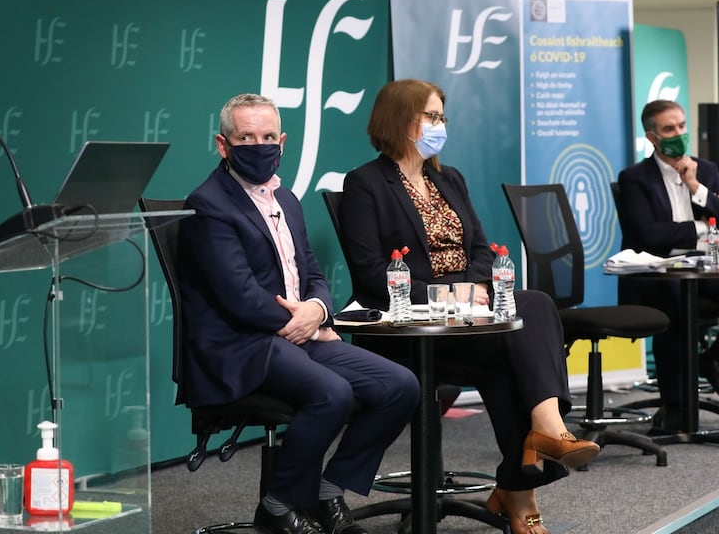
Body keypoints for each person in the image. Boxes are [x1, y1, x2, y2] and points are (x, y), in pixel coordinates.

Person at [338, 79, 600, 534]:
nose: (440, 125)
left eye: (442, 117)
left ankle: (542, 437)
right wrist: (445, 295)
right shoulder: (365, 183)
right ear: (399, 118)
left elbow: (480, 247)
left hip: (469, 318)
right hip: (411, 331)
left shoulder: (449, 178)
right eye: (431, 116)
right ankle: (524, 478)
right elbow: (370, 274)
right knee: (514, 347)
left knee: (532, 309)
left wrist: (475, 285)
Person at [177, 93, 420, 534]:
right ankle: (278, 504)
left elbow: (313, 272)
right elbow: (239, 296)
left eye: (268, 136)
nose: (259, 145)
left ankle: (329, 490)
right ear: (223, 144)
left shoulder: (285, 199)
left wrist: (319, 310)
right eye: (246, 138)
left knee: (399, 386)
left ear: (283, 141)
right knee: (333, 393)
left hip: (296, 334)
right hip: (238, 344)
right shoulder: (208, 204)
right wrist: (304, 324)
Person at [617, 99, 719, 427]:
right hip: (655, 274)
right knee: (674, 301)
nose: (679, 134)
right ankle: (675, 404)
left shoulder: (706, 170)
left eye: (682, 126)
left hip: (703, 269)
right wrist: (702, 226)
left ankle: (713, 358)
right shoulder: (634, 179)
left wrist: (696, 187)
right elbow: (648, 236)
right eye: (669, 129)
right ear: (652, 137)